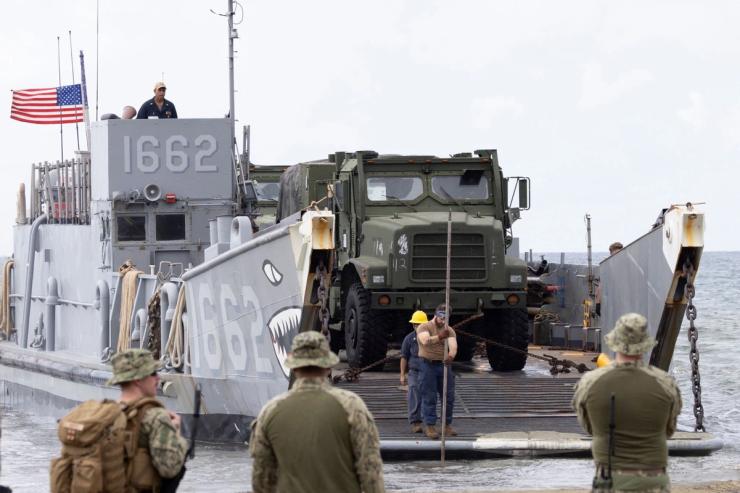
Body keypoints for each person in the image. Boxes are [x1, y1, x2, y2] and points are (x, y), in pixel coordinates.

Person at [250, 331, 385, 493]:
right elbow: (370, 470)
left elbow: (261, 478)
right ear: (328, 367)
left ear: (293, 367)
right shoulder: (351, 406)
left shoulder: (270, 412)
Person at [50, 349, 188, 493]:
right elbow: (170, 468)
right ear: (138, 380)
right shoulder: (155, 416)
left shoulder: (104, 416)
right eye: (152, 373)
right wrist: (176, 433)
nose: (158, 378)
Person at [572, 313, 682, 493]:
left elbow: (590, 428)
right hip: (653, 482)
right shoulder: (665, 383)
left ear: (614, 341)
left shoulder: (590, 383)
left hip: (610, 481)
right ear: (645, 344)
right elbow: (668, 430)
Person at [416, 304, 457, 440]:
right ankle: (430, 426)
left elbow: (453, 346)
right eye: (441, 316)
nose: (443, 319)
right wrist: (439, 337)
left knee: (448, 397)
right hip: (428, 365)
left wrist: (451, 356)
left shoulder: (449, 330)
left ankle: (446, 425)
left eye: (446, 317)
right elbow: (425, 341)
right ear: (436, 314)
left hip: (444, 365)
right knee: (429, 396)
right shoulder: (424, 327)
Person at [401, 310, 426, 433]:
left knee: (429, 394)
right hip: (414, 371)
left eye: (420, 324)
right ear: (413, 325)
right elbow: (404, 357)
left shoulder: (431, 337)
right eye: (416, 325)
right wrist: (402, 375)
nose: (418, 327)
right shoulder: (409, 339)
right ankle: (416, 422)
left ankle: (430, 421)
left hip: (428, 371)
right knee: (414, 391)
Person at [595, 241, 624, 317]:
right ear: (611, 254)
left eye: (619, 253)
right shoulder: (607, 267)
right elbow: (600, 287)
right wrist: (598, 303)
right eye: (615, 254)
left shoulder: (625, 267)